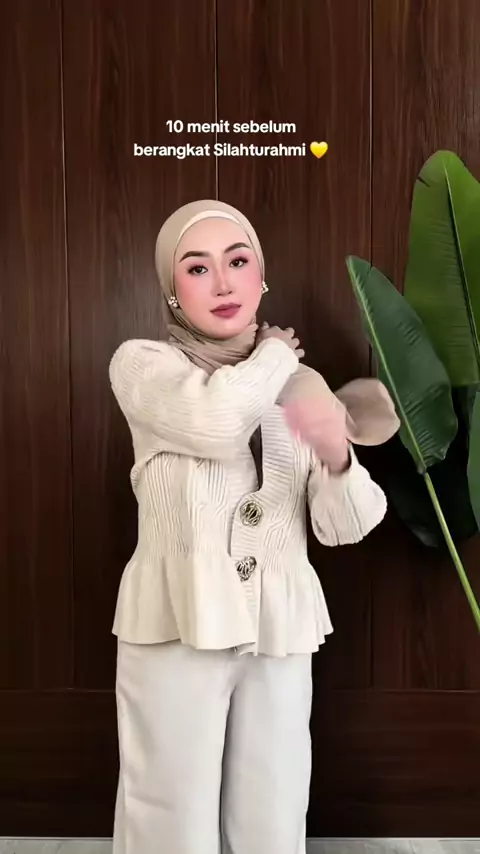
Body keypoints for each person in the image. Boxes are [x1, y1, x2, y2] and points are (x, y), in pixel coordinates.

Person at [108, 200, 398, 854]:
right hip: (177, 621)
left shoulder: (301, 385)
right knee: (169, 811)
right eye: (197, 268)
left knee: (273, 805)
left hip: (278, 625)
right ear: (172, 290)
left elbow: (346, 526)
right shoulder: (144, 366)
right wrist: (274, 357)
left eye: (238, 261)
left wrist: (338, 457)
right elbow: (215, 424)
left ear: (260, 275)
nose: (222, 282)